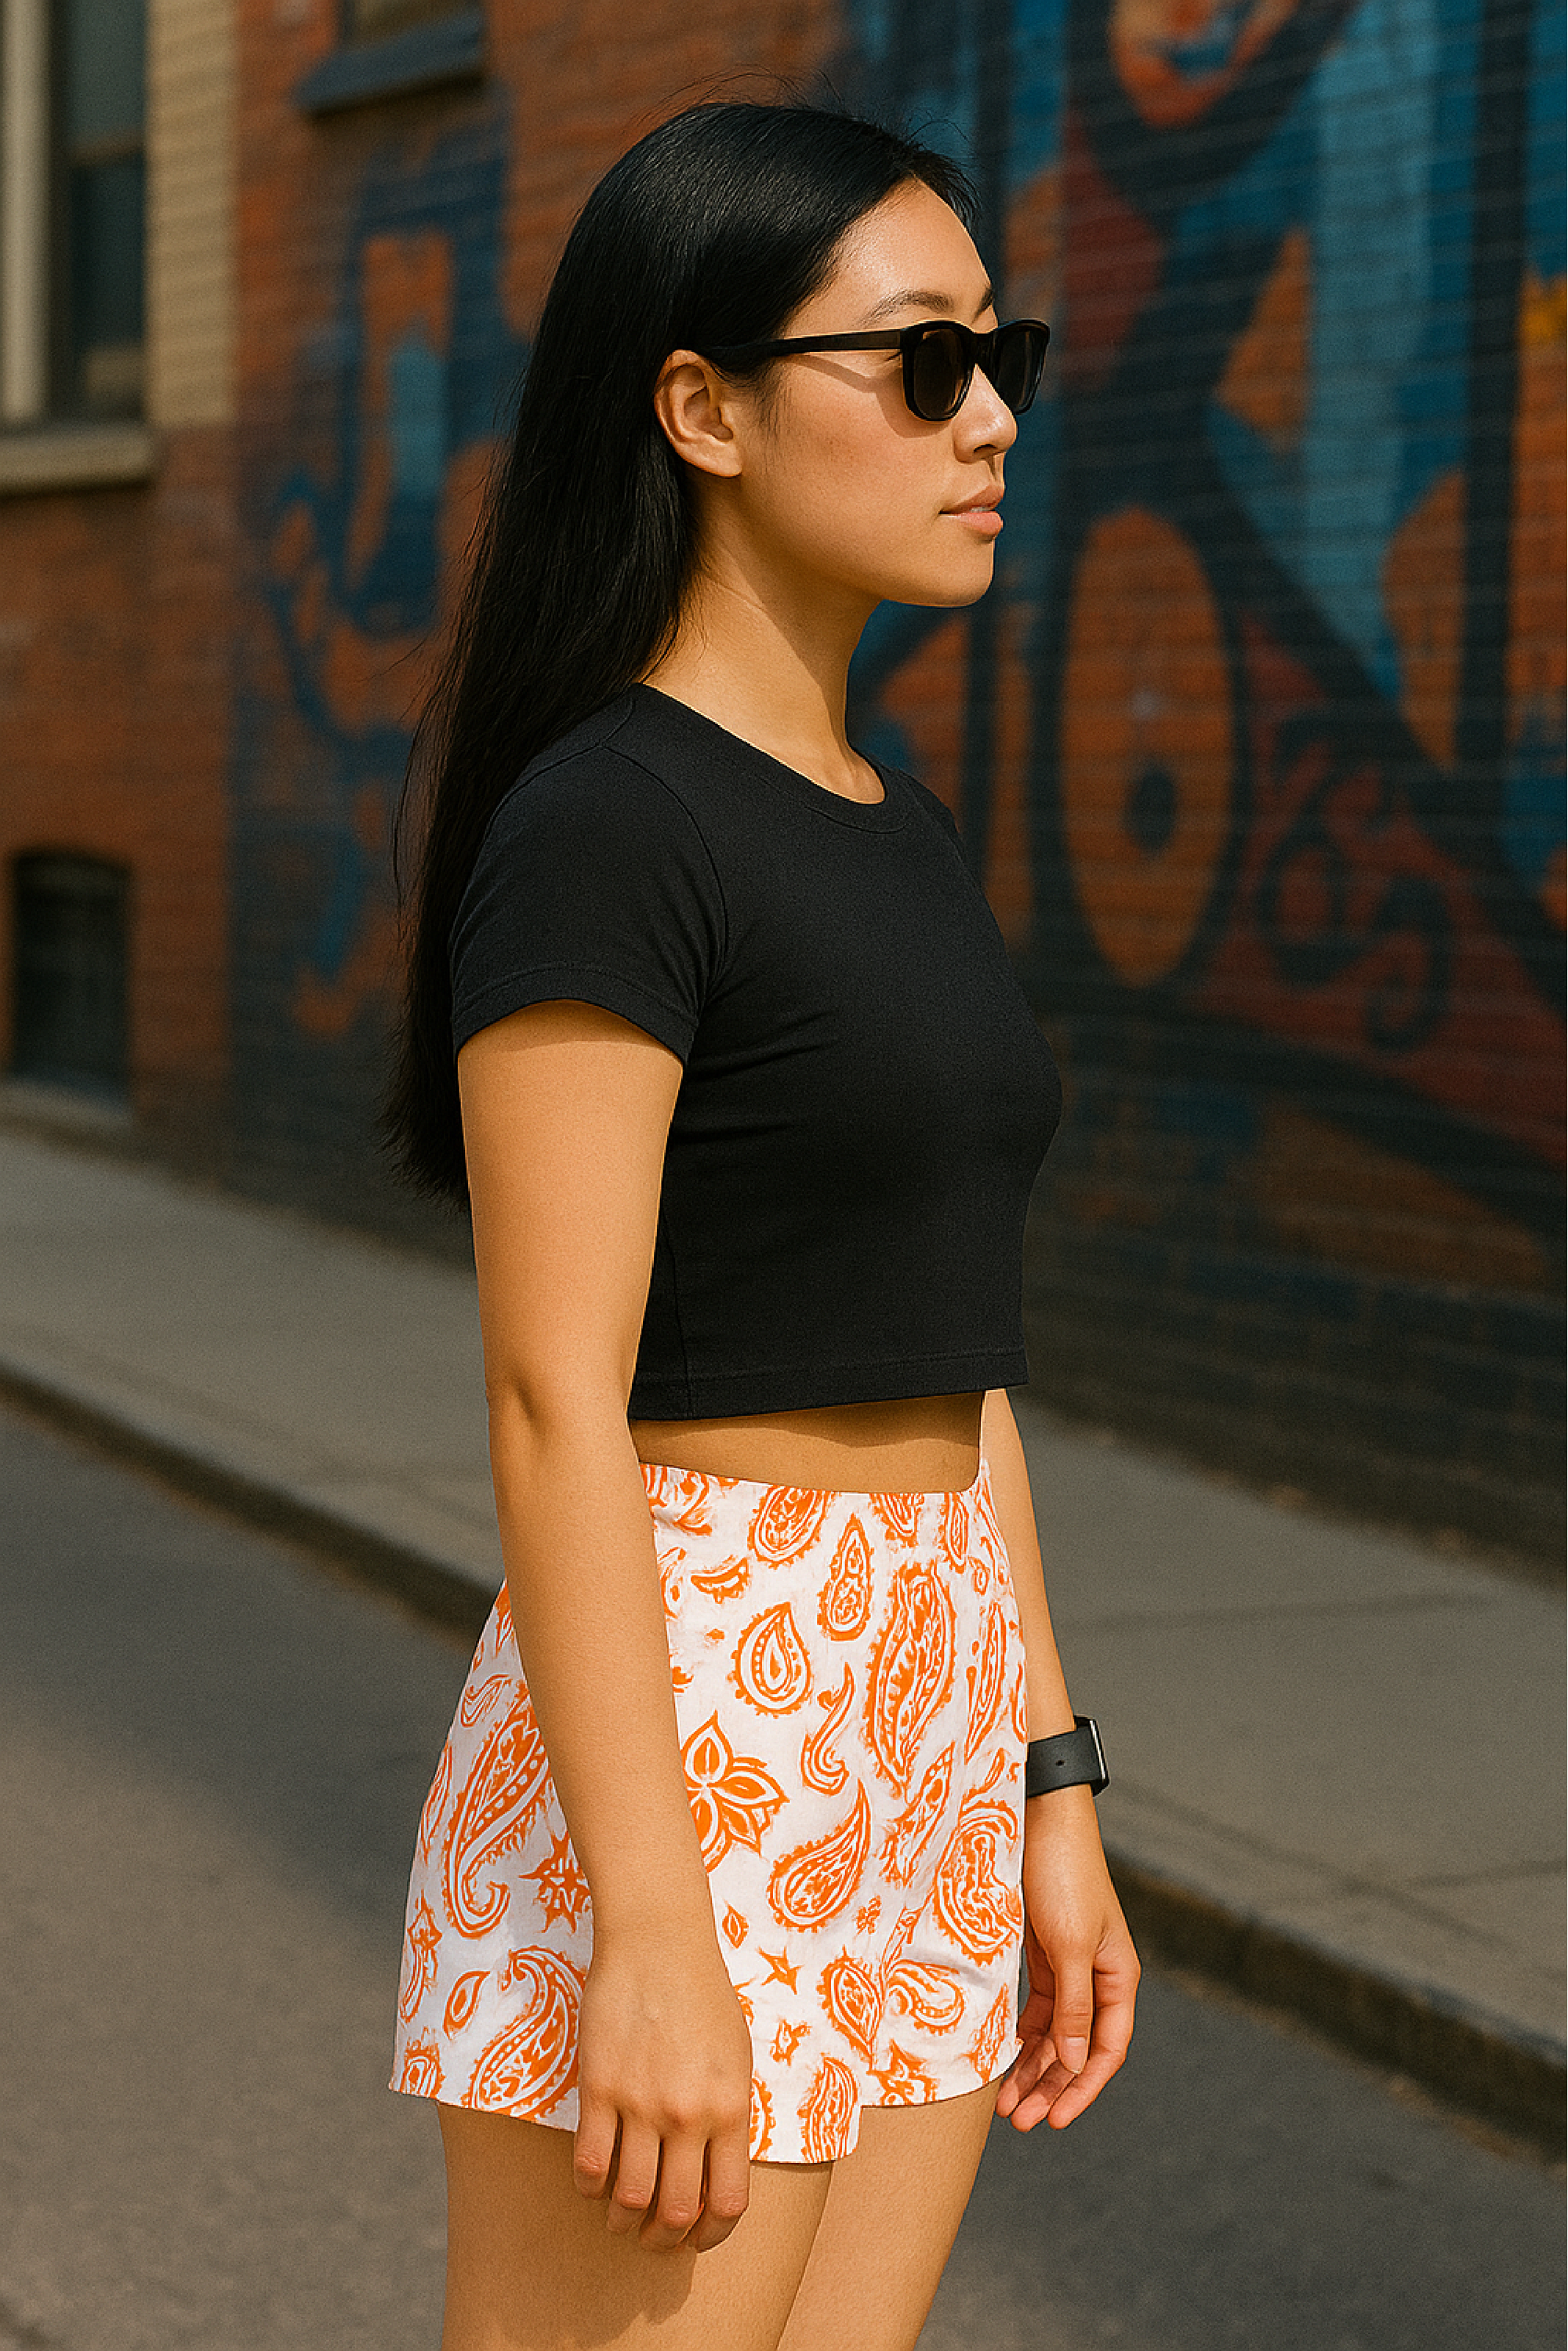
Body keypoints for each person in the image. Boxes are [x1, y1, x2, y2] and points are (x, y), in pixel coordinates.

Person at [383, 96, 1139, 2351]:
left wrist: (1044, 1778)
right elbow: (549, 1397)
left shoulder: (894, 823)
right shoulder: (608, 824)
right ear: (700, 406)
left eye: (1003, 352)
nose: (988, 413)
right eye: (920, 361)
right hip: (692, 1724)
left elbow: (945, 1355)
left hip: (919, 1709)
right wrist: (649, 1922)